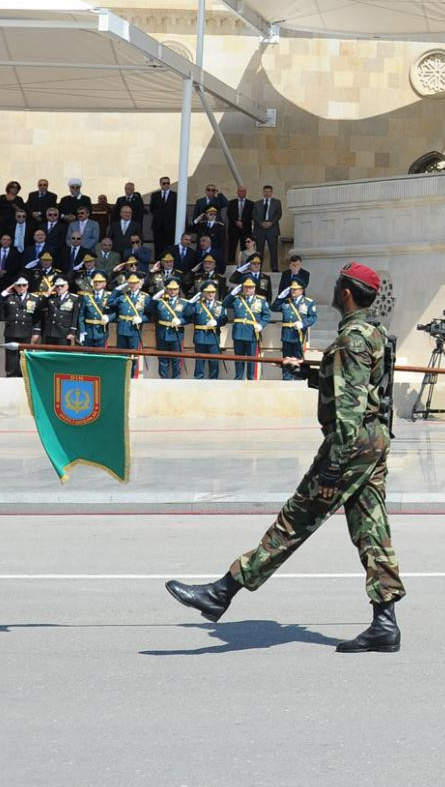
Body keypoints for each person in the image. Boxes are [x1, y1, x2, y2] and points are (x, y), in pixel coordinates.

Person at [165, 262, 405, 653]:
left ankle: (222, 591)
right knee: (371, 527)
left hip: (351, 442)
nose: (332, 288)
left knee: (297, 518)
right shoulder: (372, 333)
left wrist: (332, 467)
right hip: (373, 441)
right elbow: (365, 386)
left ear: (346, 292)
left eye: (337, 283)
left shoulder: (351, 340)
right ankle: (384, 622)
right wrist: (310, 371)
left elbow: (349, 407)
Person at [275, 281, 317, 381]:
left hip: (298, 334)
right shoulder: (286, 302)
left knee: (298, 358)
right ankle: (286, 378)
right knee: (286, 358)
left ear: (301, 290)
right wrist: (280, 297)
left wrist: (303, 323)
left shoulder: (308, 302)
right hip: (287, 334)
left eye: (295, 289)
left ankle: (299, 377)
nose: (293, 291)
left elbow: (313, 317)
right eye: (292, 289)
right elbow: (274, 308)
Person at [228, 278, 267, 381]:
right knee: (238, 358)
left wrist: (261, 325)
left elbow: (266, 315)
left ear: (254, 288)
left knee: (251, 357)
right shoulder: (237, 299)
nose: (248, 289)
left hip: (252, 333)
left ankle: (250, 378)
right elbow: (225, 304)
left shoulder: (261, 300)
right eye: (246, 287)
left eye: (250, 287)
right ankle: (238, 377)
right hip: (239, 332)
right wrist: (232, 294)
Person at [149, 278, 188, 379]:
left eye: (175, 289)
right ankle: (163, 380)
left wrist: (181, 321)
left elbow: (189, 317)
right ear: (166, 289)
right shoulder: (160, 302)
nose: (172, 291)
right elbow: (149, 309)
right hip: (162, 334)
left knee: (176, 359)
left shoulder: (183, 303)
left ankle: (176, 379)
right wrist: (156, 297)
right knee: (163, 359)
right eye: (170, 289)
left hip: (176, 334)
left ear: (178, 290)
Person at [188, 282, 224, 379]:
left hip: (213, 336)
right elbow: (187, 314)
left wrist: (217, 322)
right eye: (208, 292)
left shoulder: (220, 305)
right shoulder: (197, 305)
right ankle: (198, 380)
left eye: (212, 292)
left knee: (214, 361)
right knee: (199, 361)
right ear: (204, 293)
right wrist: (190, 303)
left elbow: (224, 319)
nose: (211, 294)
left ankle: (213, 380)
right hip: (200, 336)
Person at [252, 185, 284, 273]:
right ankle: (258, 268)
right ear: (263, 192)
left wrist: (271, 222)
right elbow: (254, 215)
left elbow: (279, 214)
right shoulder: (257, 203)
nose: (267, 193)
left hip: (272, 229)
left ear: (271, 192)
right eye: (265, 191)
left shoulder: (277, 202)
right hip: (260, 229)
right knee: (259, 251)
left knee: (273, 250)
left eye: (269, 191)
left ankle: (274, 267)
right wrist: (261, 223)